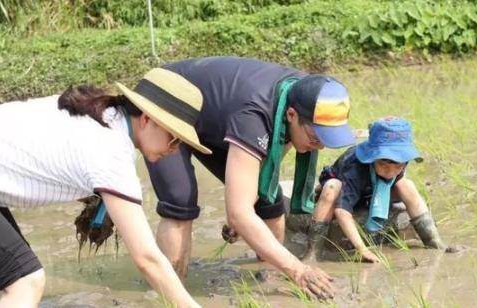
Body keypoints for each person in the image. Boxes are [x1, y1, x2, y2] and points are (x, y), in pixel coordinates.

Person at [136, 56, 356, 299]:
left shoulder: (305, 94)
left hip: (217, 118)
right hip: (168, 101)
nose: (320, 148)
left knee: (267, 199)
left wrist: (244, 207)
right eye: (316, 139)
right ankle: (170, 294)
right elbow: (239, 213)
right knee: (180, 200)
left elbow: (267, 164)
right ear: (292, 115)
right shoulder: (255, 115)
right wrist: (298, 269)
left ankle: (268, 281)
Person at [0, 84, 203, 307]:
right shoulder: (111, 153)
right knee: (25, 281)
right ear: (146, 119)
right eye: (174, 139)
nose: (175, 149)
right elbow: (148, 259)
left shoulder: (100, 112)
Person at [301, 116, 446, 262]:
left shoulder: (399, 164)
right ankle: (313, 252)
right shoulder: (354, 167)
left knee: (406, 185)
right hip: (347, 190)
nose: (391, 172)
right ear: (372, 157)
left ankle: (433, 242)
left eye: (398, 166)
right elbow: (342, 211)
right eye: (384, 165)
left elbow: (397, 179)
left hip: (373, 192)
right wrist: (362, 249)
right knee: (332, 187)